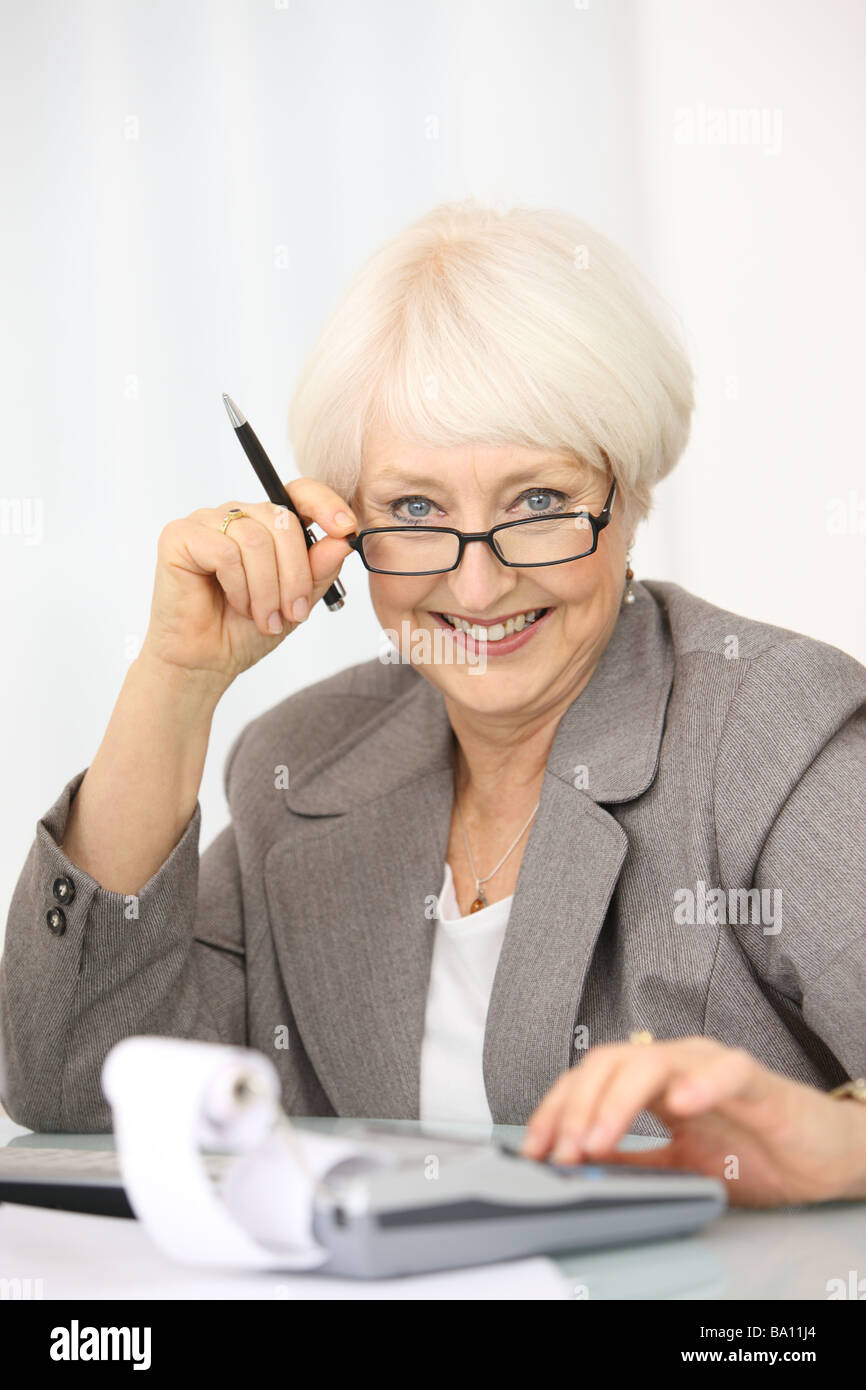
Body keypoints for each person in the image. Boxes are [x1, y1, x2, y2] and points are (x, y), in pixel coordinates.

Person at [2, 201, 865, 1208]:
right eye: (413, 510)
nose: (474, 585)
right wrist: (175, 675)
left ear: (626, 500)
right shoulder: (305, 763)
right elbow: (72, 1090)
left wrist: (835, 1145)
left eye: (536, 503)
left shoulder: (767, 730)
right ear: (338, 522)